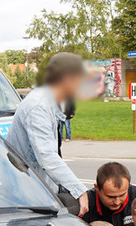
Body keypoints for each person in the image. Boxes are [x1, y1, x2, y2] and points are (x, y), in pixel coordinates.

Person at [8, 52, 88, 217]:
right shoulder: (39, 107)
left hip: (38, 190)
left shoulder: (51, 102)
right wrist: (79, 191)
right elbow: (47, 157)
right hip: (28, 196)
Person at [82, 162, 136, 226]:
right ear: (97, 188)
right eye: (111, 197)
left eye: (122, 195)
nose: (117, 202)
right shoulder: (85, 205)